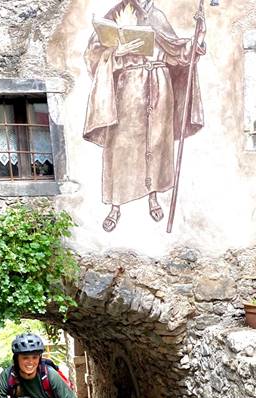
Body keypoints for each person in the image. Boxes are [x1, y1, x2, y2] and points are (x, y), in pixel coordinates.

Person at [83, 0, 206, 232]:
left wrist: (196, 40)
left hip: (160, 87)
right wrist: (117, 53)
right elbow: (94, 55)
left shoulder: (157, 16)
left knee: (157, 143)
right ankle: (115, 206)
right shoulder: (116, 13)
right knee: (120, 147)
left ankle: (153, 197)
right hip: (129, 87)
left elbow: (177, 54)